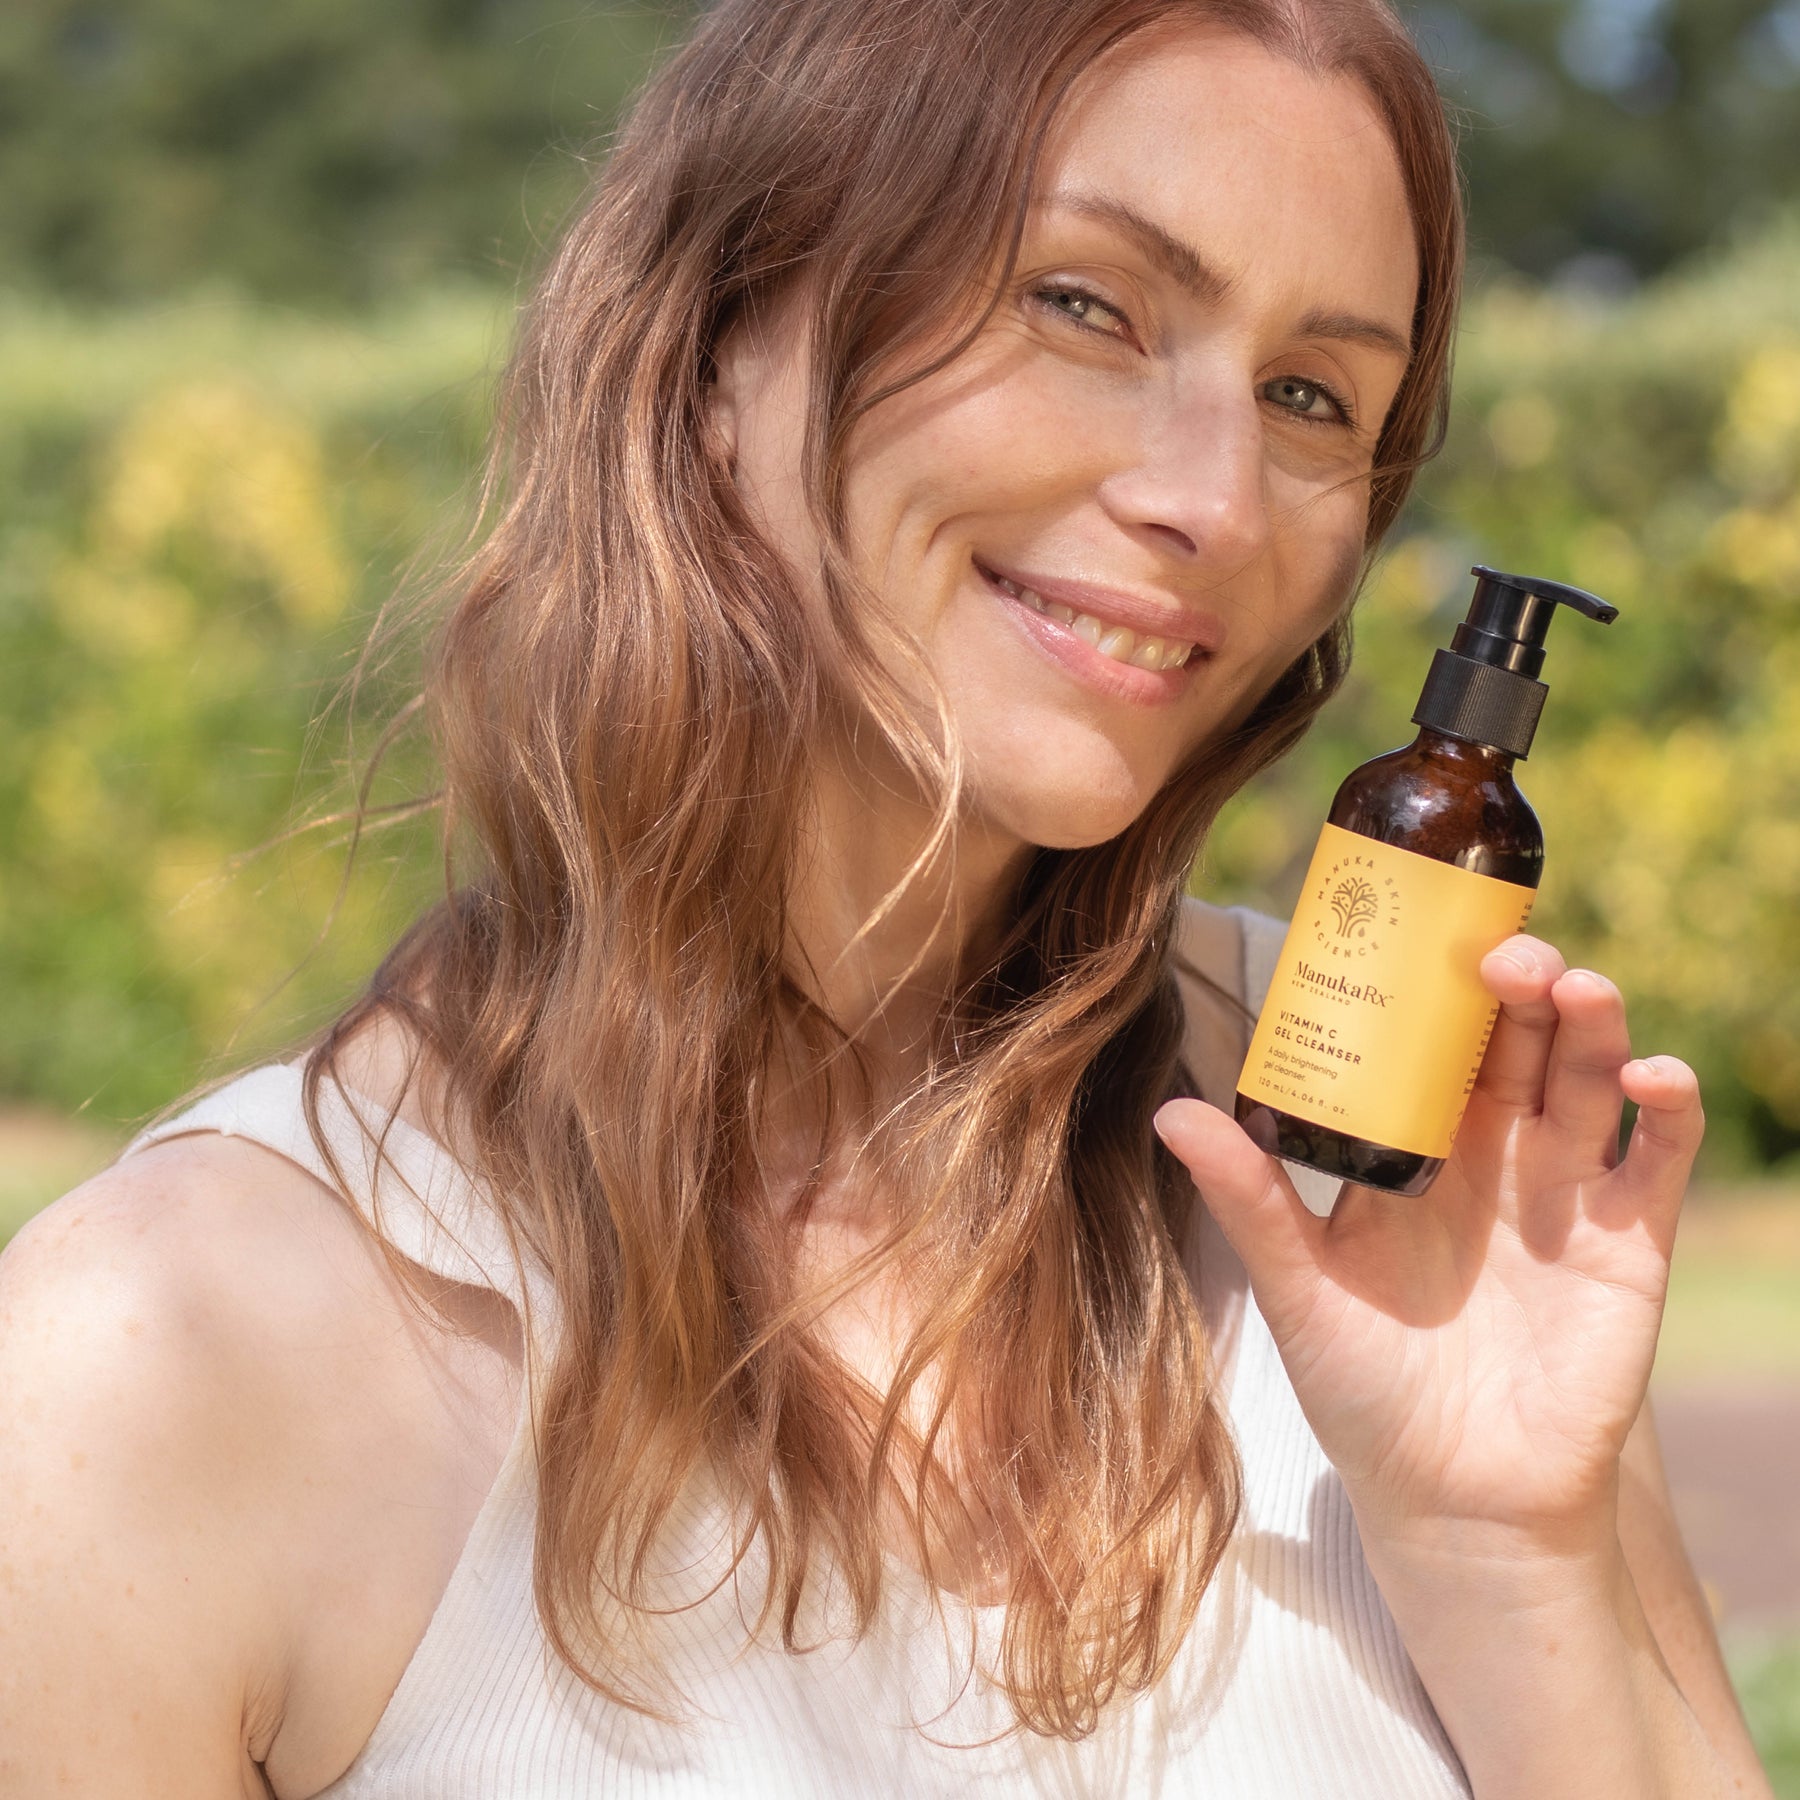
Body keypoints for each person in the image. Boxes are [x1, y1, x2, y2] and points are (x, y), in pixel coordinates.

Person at [0, 0, 1773, 1794]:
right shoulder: (161, 1359)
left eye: (1313, 397)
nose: (1218, 497)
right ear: (715, 344)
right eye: (1086, 304)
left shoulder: (1382, 1177)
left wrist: (1507, 1564)